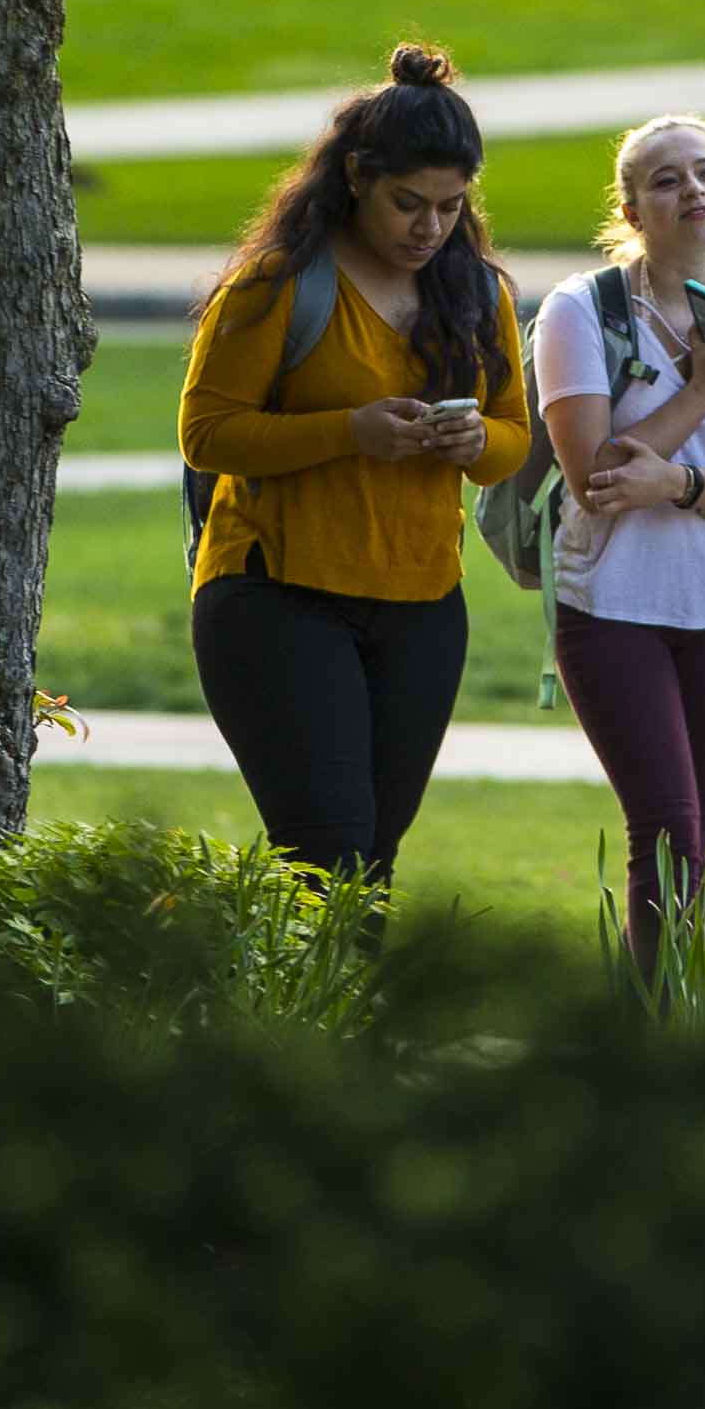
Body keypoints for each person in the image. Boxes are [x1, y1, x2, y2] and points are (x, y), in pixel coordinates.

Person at [179, 44, 532, 891]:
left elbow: (514, 437)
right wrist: (349, 431)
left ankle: (336, 1023)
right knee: (327, 857)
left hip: (421, 604)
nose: (429, 228)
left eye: (450, 207)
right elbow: (208, 433)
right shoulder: (278, 286)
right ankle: (306, 1023)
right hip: (277, 595)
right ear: (353, 179)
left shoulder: (479, 294)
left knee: (369, 862)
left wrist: (475, 443)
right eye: (408, 203)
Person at [530, 115, 705, 959]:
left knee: (692, 842)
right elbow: (597, 482)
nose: (692, 190)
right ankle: (658, 1043)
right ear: (631, 209)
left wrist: (679, 483)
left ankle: (659, 1024)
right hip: (613, 608)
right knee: (666, 833)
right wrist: (703, 386)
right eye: (665, 180)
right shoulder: (580, 311)